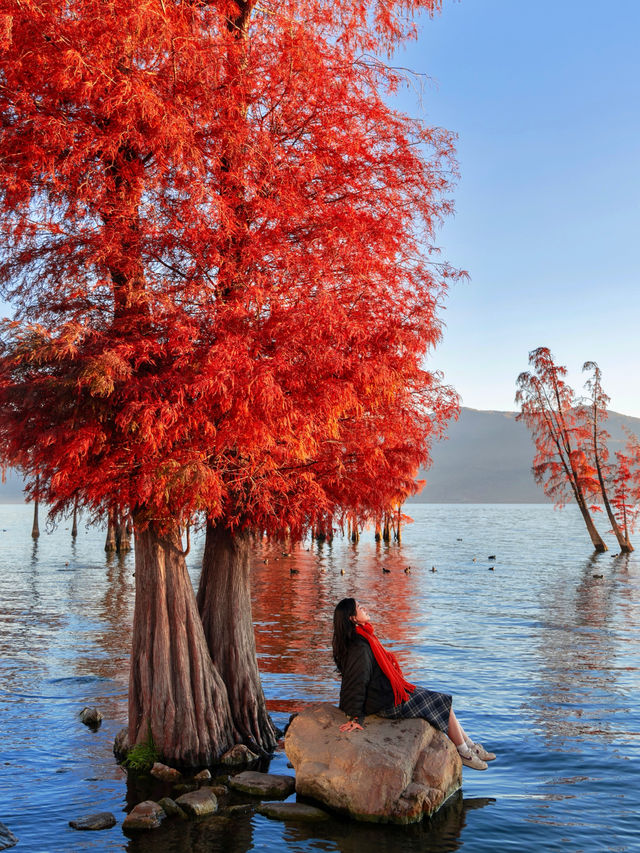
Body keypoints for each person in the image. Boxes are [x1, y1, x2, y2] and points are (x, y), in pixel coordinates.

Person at [332, 598, 495, 771]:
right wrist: (355, 717)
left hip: (386, 693)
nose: (363, 607)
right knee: (441, 701)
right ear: (353, 618)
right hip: (384, 702)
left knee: (439, 700)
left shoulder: (363, 637)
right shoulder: (360, 645)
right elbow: (357, 680)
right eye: (359, 607)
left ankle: (470, 746)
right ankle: (464, 752)